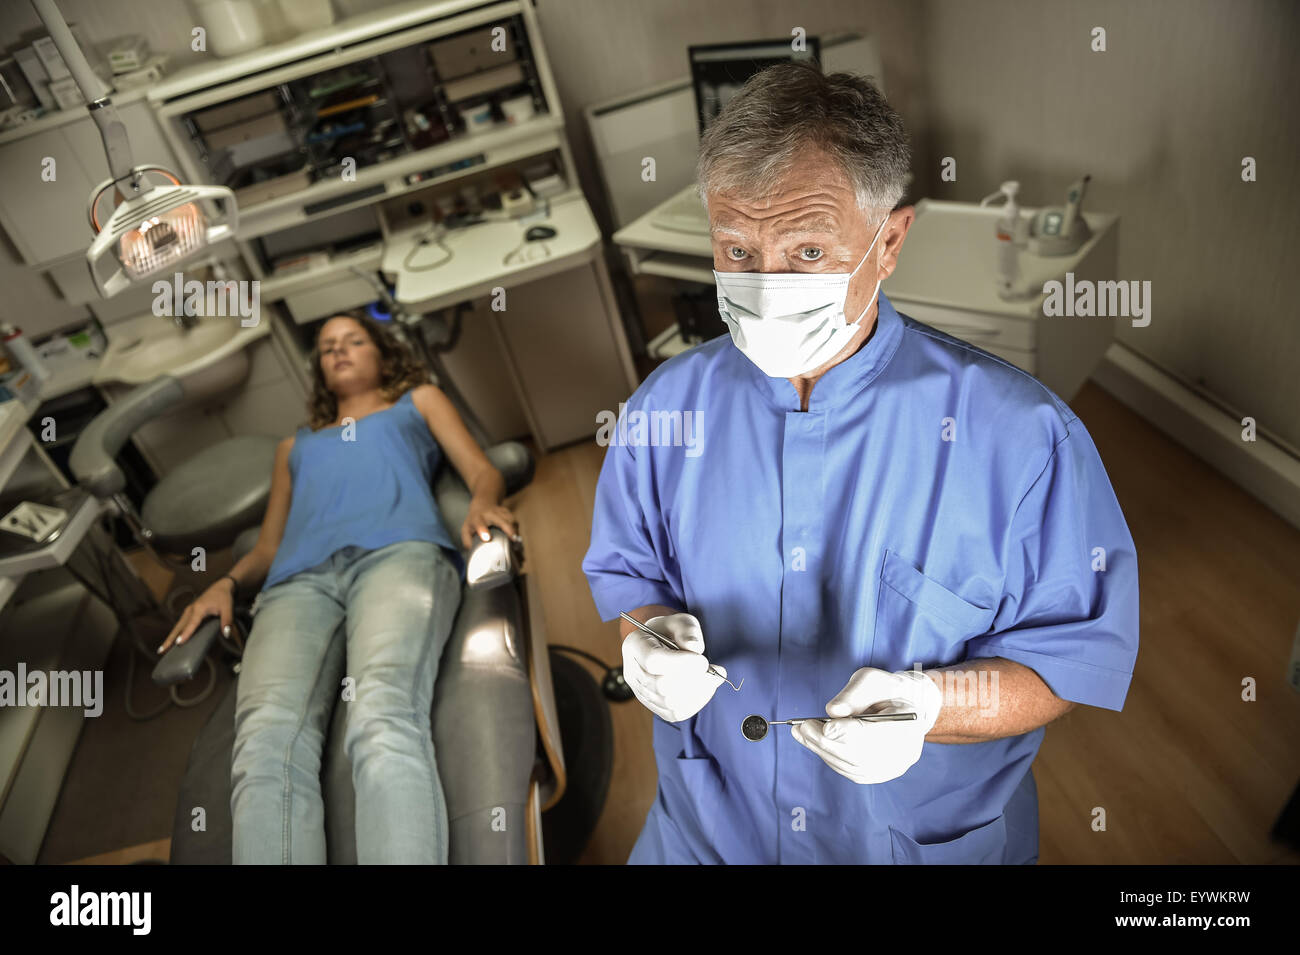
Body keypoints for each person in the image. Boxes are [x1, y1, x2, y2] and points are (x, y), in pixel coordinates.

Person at [582, 63, 1139, 864]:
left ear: (890, 242)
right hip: (711, 826)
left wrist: (930, 704)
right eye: (737, 249)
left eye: (807, 250)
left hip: (906, 839)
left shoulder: (1021, 441)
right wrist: (647, 636)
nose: (765, 286)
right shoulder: (664, 412)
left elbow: (1066, 659)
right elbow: (632, 575)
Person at [160, 309, 518, 863]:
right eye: (327, 347)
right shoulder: (293, 447)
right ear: (320, 371)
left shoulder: (416, 401)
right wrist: (225, 583)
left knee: (380, 714)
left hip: (397, 556)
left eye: (354, 340)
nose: (340, 351)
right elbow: (269, 548)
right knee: (261, 748)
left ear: (381, 354)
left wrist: (482, 499)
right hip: (296, 585)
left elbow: (480, 469)